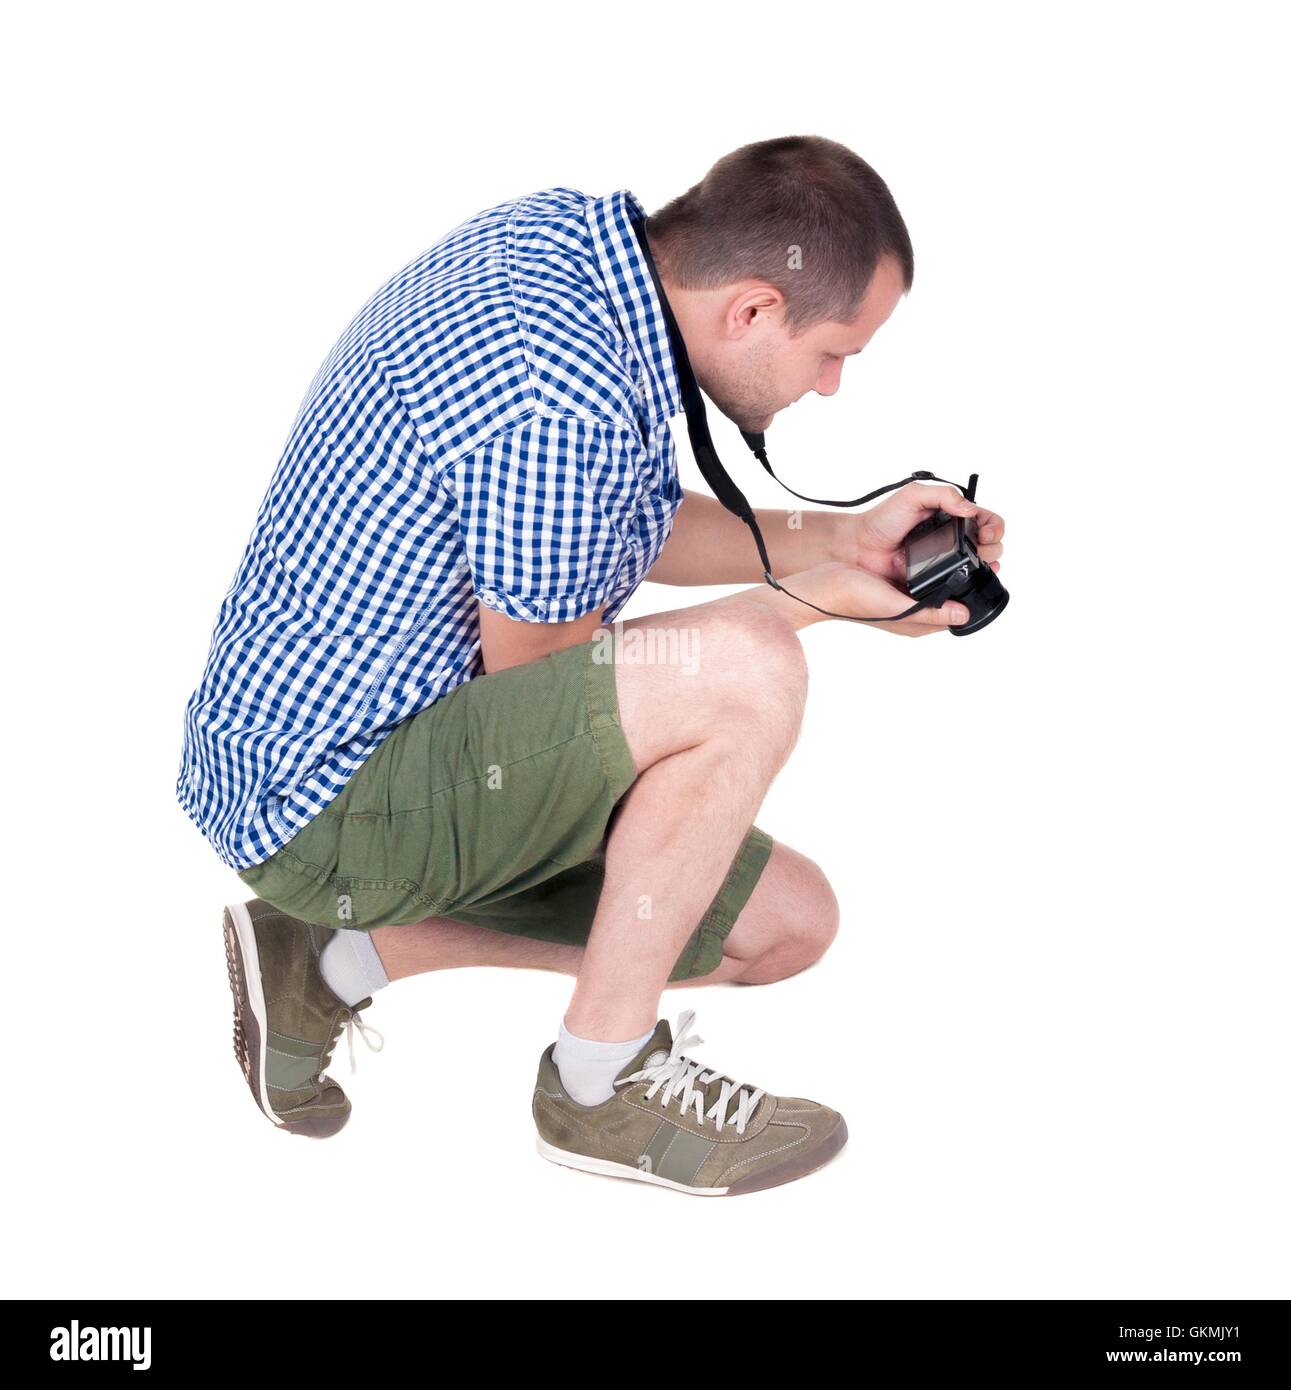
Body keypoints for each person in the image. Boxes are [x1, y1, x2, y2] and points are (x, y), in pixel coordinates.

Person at [180, 134, 1006, 1195]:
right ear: (752, 310)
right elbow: (550, 693)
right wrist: (813, 607)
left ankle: (324, 958)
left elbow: (607, 528)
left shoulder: (573, 252)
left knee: (784, 928)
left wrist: (842, 540)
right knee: (752, 666)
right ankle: (597, 1086)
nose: (834, 385)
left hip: (373, 751)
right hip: (325, 796)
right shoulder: (555, 394)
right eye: (832, 350)